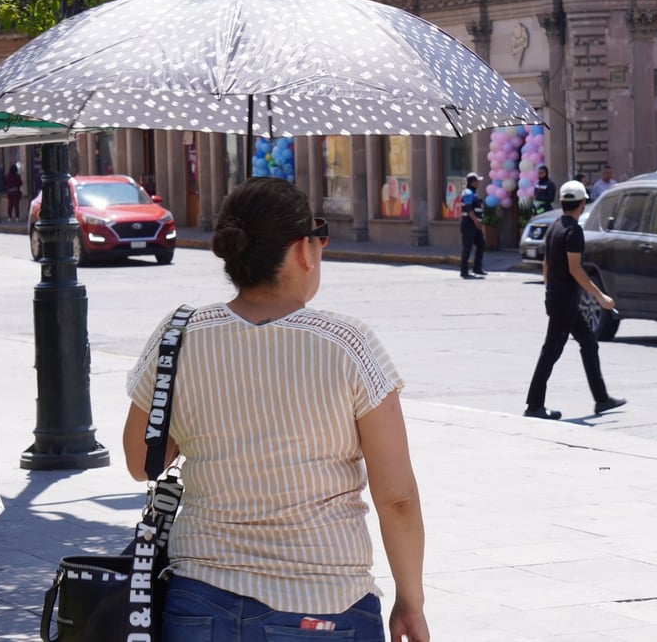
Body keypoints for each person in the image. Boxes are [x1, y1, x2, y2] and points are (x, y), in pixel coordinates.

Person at [122, 177, 429, 642]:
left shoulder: (179, 334)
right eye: (319, 235)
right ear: (302, 250)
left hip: (200, 601)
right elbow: (398, 498)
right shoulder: (348, 344)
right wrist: (411, 600)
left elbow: (139, 461)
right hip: (325, 605)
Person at [524, 179, 626, 420]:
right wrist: (600, 296)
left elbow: (546, 264)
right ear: (582, 204)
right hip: (565, 302)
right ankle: (534, 405)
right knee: (551, 352)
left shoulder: (555, 227)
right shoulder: (573, 231)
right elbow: (575, 269)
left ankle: (601, 399)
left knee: (588, 342)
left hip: (560, 299)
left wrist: (549, 290)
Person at [459, 171, 487, 279]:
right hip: (469, 224)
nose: (478, 183)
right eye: (477, 181)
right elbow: (468, 208)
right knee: (468, 247)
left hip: (475, 224)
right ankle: (464, 270)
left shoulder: (473, 193)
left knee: (481, 244)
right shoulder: (468, 193)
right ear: (472, 182)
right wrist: (476, 221)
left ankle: (477, 268)